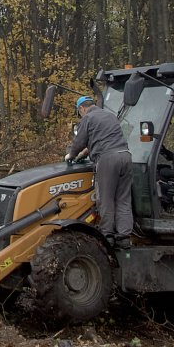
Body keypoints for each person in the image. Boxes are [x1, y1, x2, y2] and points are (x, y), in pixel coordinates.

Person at [66, 95, 133, 248]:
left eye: (80, 112)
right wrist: (84, 154)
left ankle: (107, 235)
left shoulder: (88, 118)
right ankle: (124, 237)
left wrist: (71, 155)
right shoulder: (110, 116)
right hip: (125, 156)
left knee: (105, 198)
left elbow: (79, 142)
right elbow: (102, 139)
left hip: (107, 159)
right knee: (123, 199)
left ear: (82, 108)